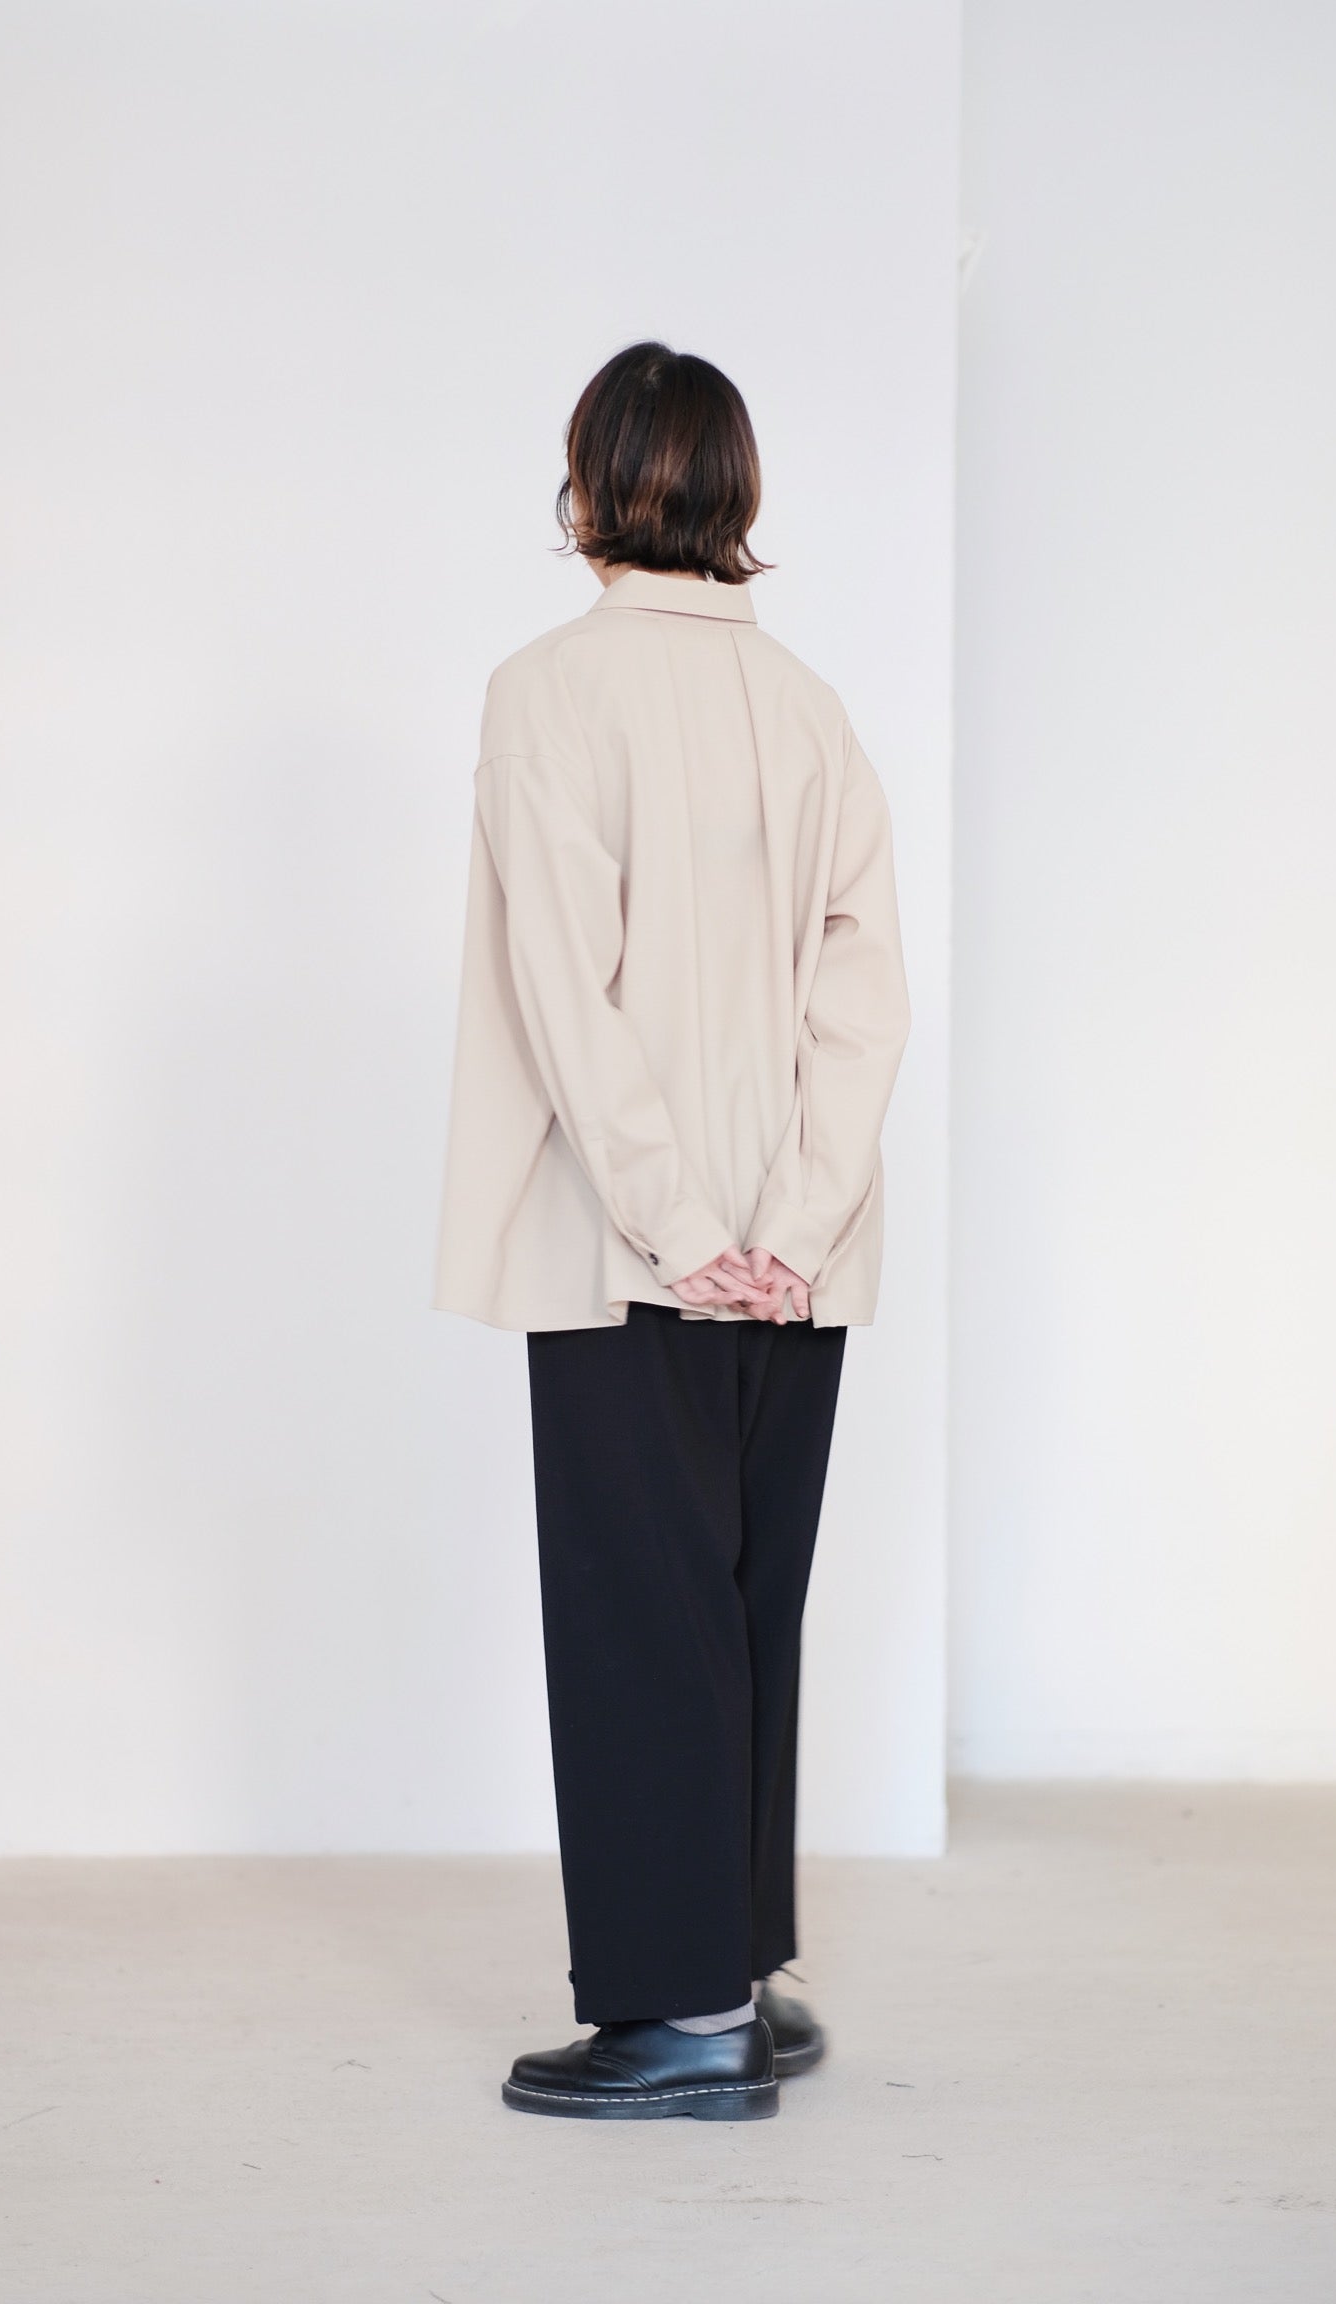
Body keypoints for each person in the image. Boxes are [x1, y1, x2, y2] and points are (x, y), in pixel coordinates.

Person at [434, 340, 910, 2121]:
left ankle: (684, 2016)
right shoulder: (809, 707)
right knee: (745, 1610)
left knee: (644, 1623)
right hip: (797, 1265)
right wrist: (792, 1224)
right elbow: (867, 997)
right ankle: (745, 1972)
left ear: (587, 485)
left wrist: (675, 1222)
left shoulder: (547, 691)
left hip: (630, 1252)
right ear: (738, 492)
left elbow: (572, 990)